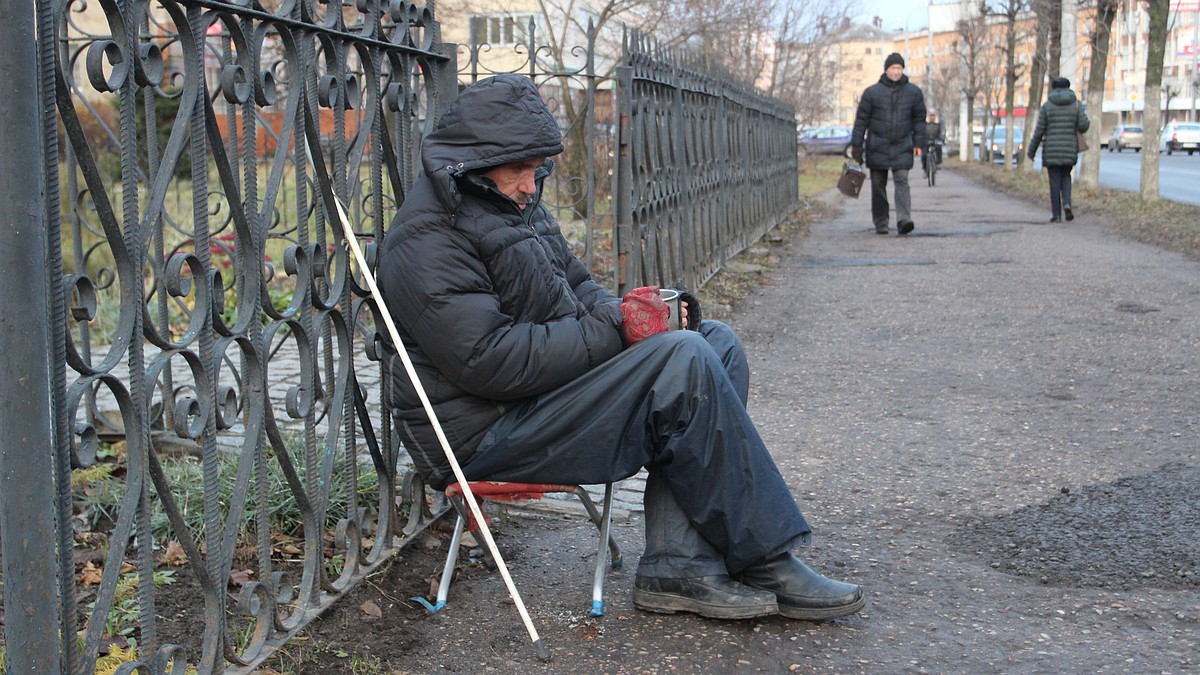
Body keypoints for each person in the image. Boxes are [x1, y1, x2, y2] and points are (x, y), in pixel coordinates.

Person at [377, 74, 864, 621]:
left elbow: (580, 289)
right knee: (683, 358)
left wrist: (637, 316)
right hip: (487, 432)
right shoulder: (427, 238)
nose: (530, 185)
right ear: (472, 161)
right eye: (518, 168)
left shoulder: (511, 205)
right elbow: (491, 362)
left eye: (536, 168)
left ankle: (679, 565)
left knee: (712, 343)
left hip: (542, 401)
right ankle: (767, 556)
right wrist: (623, 333)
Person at [851, 52, 927, 235]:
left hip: (902, 145)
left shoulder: (914, 93)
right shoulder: (872, 93)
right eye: (893, 68)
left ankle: (904, 219)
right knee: (878, 185)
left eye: (899, 68)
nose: (896, 71)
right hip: (877, 145)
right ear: (886, 70)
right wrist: (856, 146)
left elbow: (919, 120)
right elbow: (861, 121)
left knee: (902, 180)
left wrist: (919, 143)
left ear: (903, 70)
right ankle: (881, 221)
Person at [1026, 77, 1090, 222]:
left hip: (1051, 150)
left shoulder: (1047, 106)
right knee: (1066, 176)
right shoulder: (1076, 105)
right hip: (1069, 148)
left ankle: (1056, 214)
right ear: (1068, 88)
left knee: (1054, 180)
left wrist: (1031, 151)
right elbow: (1084, 125)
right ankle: (1067, 203)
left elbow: (1039, 131)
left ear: (1053, 89)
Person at [922, 110, 944, 176]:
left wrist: (941, 139)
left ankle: (938, 163)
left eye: (933, 115)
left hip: (936, 140)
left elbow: (942, 132)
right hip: (926, 141)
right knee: (923, 155)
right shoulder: (925, 124)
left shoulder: (938, 124)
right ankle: (925, 169)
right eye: (930, 115)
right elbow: (921, 132)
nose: (932, 117)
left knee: (938, 149)